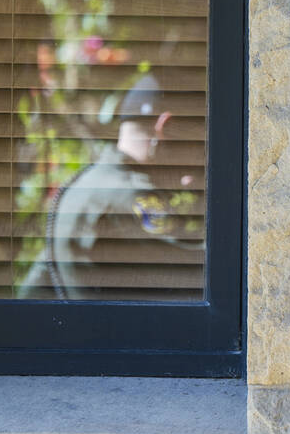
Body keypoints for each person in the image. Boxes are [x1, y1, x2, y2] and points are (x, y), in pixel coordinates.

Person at [17, 75, 204, 300]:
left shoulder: (84, 184)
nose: (191, 174)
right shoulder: (133, 196)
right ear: (167, 127)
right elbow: (204, 275)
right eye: (198, 145)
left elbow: (34, 289)